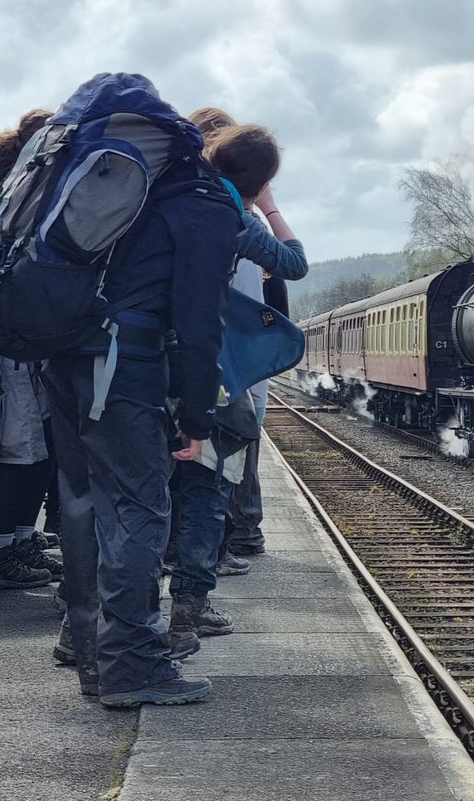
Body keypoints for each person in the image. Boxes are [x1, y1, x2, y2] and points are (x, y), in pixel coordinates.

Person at [45, 112, 242, 706]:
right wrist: (198, 412)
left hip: (65, 355)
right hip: (122, 366)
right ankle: (132, 666)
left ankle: (92, 659)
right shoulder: (200, 203)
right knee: (139, 509)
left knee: (82, 507)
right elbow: (200, 322)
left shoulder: (125, 188)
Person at [167, 122, 307, 645]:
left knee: (134, 492)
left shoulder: (161, 198)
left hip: (138, 363)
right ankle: (188, 610)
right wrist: (267, 207)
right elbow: (294, 264)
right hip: (207, 366)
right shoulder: (230, 216)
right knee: (208, 483)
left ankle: (84, 623)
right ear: (260, 180)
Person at [0, 109, 64, 590]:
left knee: (34, 447)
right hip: (6, 339)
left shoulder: (8, 187)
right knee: (20, 449)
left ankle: (16, 539)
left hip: (18, 337)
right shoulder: (10, 195)